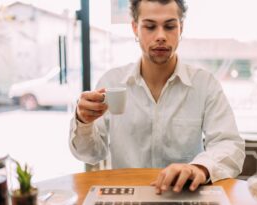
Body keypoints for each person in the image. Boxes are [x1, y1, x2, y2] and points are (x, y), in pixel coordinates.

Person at [69, 0, 245, 194]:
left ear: (181, 28)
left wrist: (199, 168)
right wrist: (83, 121)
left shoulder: (204, 84)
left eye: (170, 26)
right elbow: (91, 154)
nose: (161, 36)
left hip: (183, 194)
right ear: (135, 28)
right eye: (150, 26)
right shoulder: (111, 82)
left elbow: (230, 144)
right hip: (127, 195)